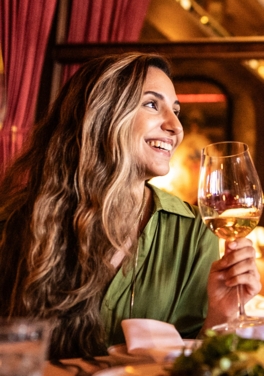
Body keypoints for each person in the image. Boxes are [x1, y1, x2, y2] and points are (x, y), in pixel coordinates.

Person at [0, 52, 260, 359]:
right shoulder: (16, 221)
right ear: (101, 114)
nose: (176, 127)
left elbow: (196, 371)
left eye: (176, 111)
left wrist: (220, 316)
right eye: (152, 104)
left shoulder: (193, 232)